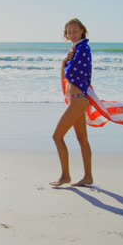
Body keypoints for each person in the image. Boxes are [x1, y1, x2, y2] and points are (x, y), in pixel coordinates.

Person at [50, 18, 93, 187]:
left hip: (77, 100)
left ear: (82, 30)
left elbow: (71, 72)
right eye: (69, 32)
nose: (72, 34)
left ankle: (65, 176)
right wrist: (64, 61)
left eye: (75, 31)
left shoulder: (83, 49)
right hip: (76, 100)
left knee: (57, 136)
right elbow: (63, 76)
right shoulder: (75, 49)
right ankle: (88, 176)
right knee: (82, 139)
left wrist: (67, 61)